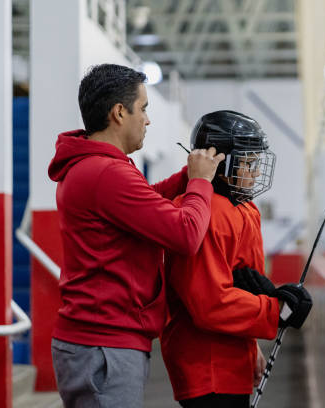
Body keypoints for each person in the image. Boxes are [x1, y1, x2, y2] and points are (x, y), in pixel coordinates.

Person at [47, 64, 224, 407]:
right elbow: (187, 234)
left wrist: (187, 176)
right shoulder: (106, 173)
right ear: (118, 113)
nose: (147, 120)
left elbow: (145, 202)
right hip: (105, 347)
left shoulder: (94, 166)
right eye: (143, 109)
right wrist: (201, 183)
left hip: (99, 342)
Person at [161, 110, 312, 408]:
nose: (256, 173)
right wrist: (274, 310)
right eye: (249, 163)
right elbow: (209, 303)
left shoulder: (245, 209)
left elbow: (242, 283)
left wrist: (251, 344)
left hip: (232, 359)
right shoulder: (205, 213)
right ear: (220, 163)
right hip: (207, 366)